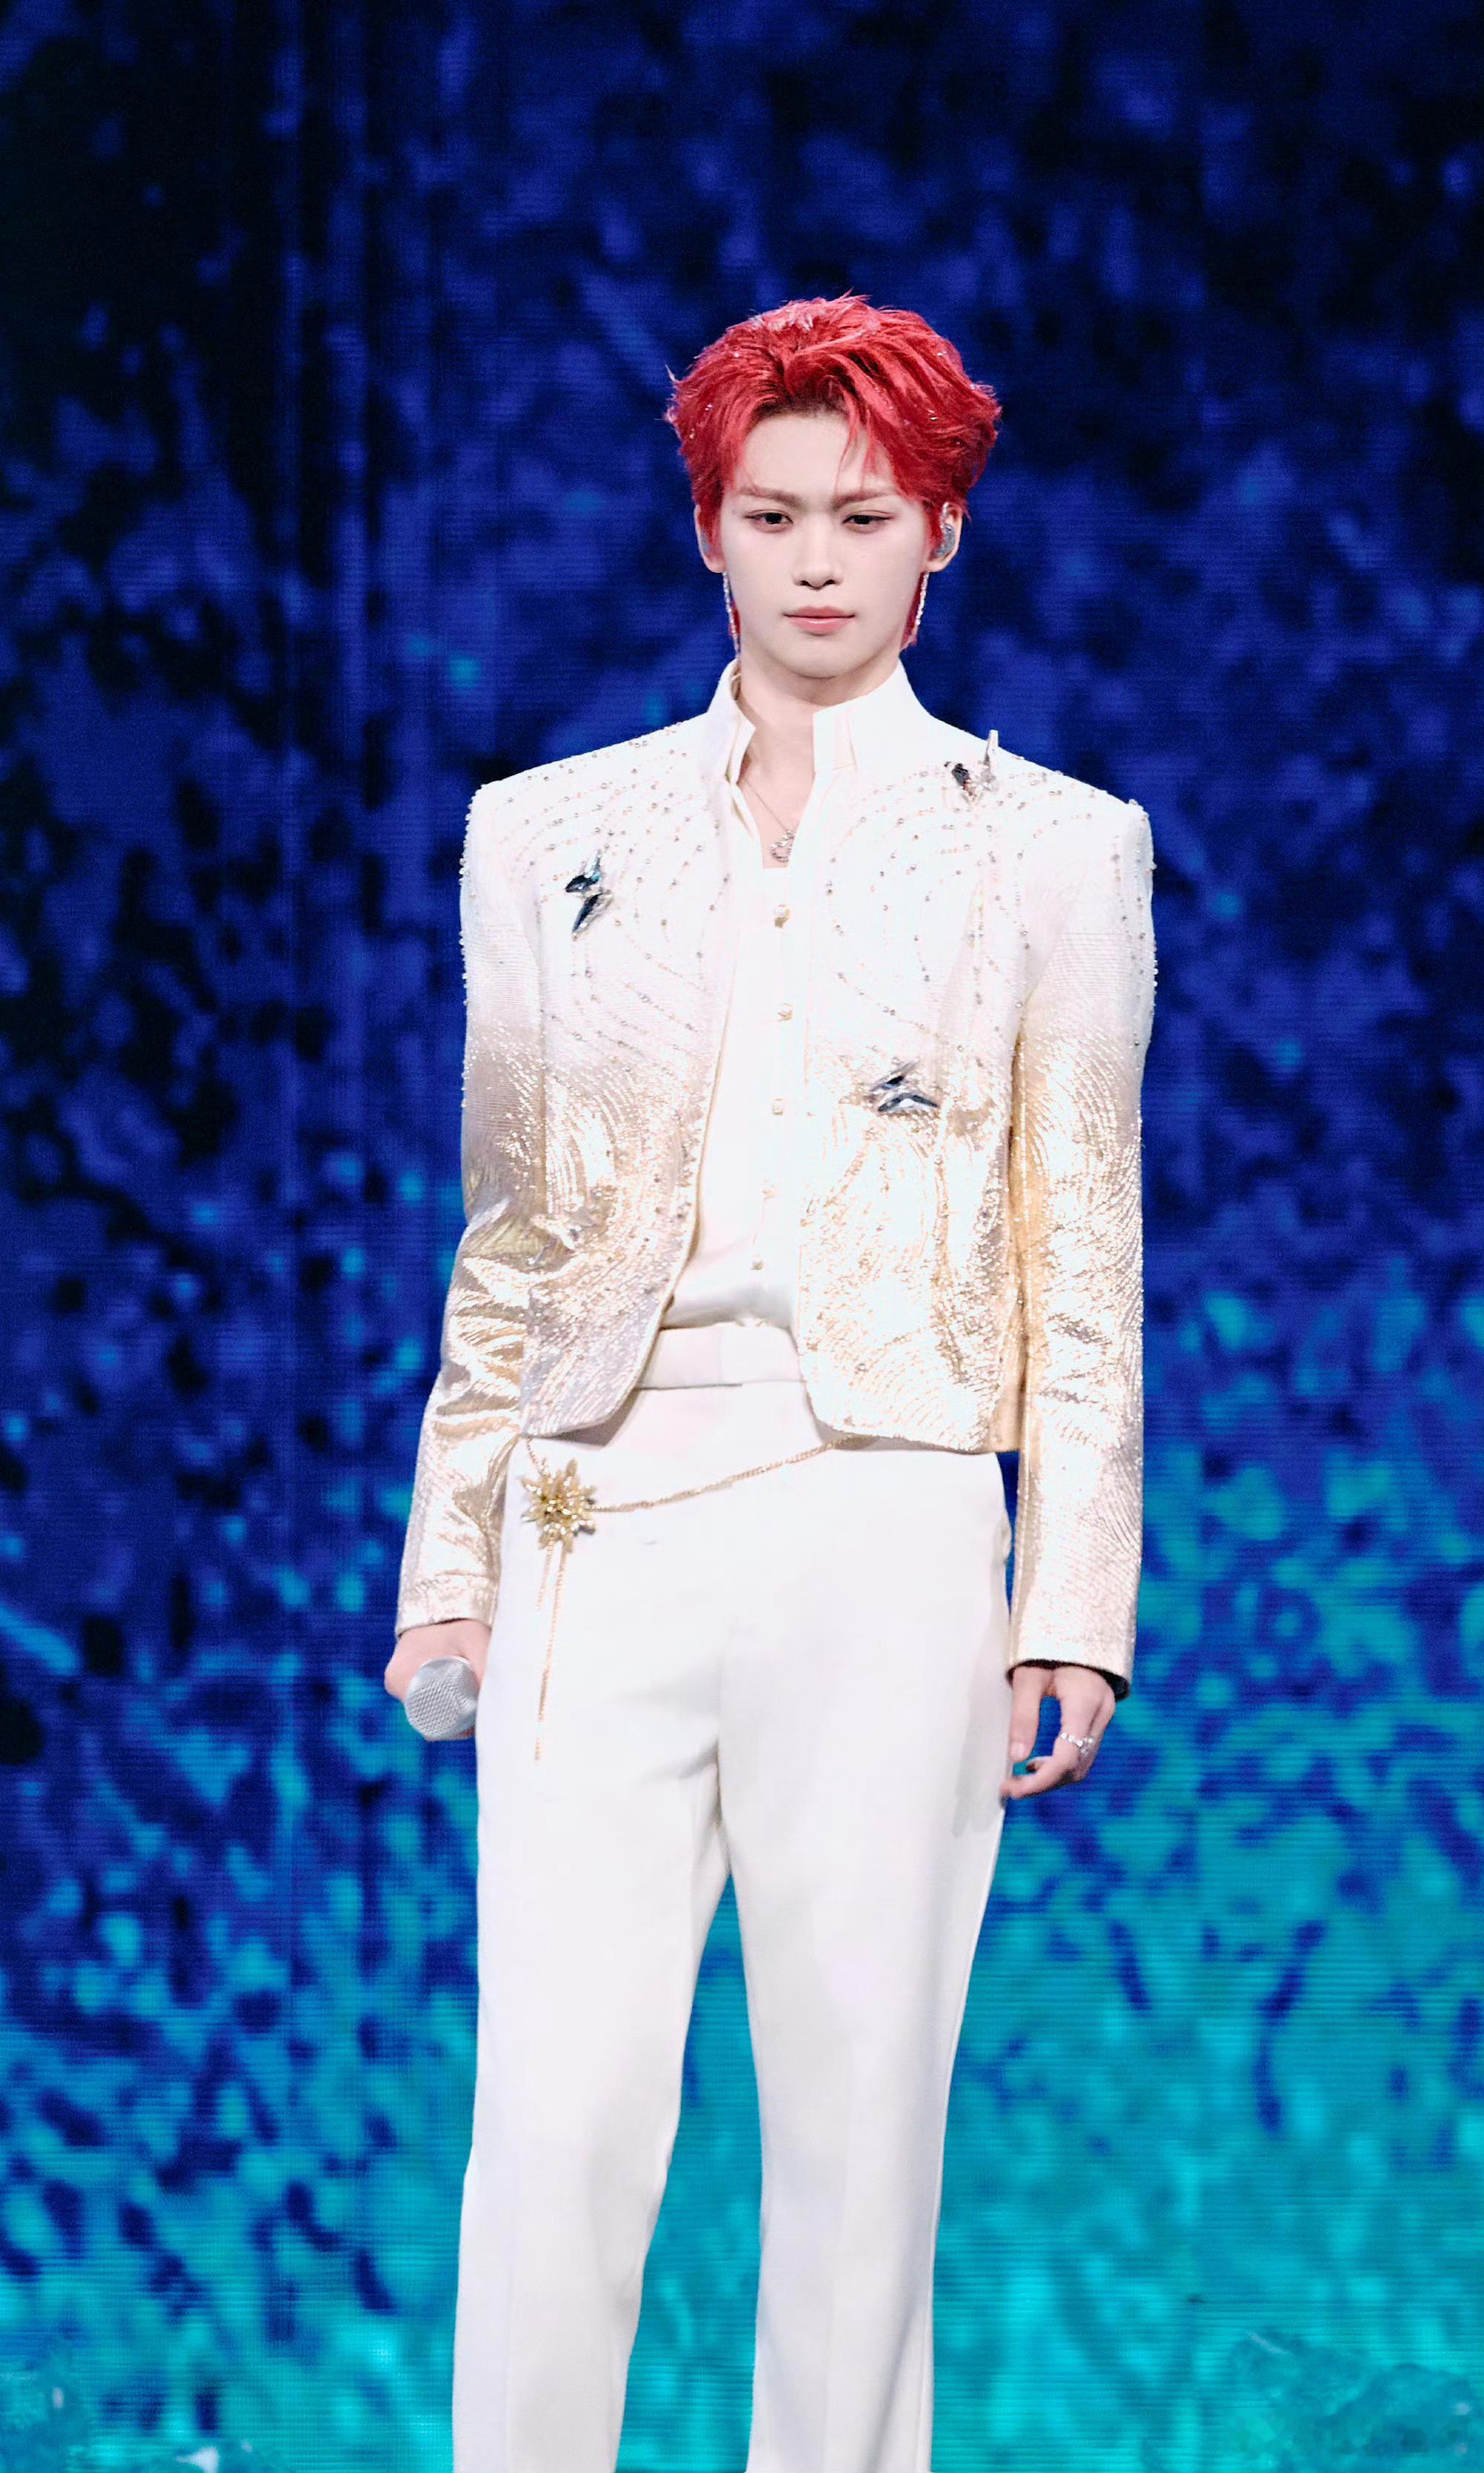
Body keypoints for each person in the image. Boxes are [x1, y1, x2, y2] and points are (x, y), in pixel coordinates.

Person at [384, 292, 1157, 2473]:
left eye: (866, 515)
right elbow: (513, 1235)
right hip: (592, 1512)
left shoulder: (1054, 850)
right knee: (554, 2118)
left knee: (860, 2125)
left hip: (886, 1509)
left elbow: (1082, 1247)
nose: (819, 559)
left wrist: (1071, 1601)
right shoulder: (546, 833)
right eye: (774, 512)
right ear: (708, 529)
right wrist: (449, 1566)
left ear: (943, 537)